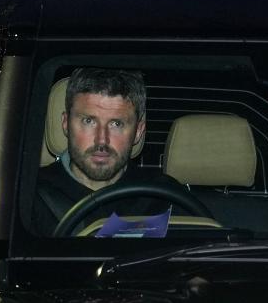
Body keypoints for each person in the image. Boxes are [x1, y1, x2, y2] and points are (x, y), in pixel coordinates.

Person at [32, 67, 179, 235]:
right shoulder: (29, 197)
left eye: (116, 124)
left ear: (138, 132)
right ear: (66, 124)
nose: (102, 139)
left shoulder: (164, 198)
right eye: (88, 121)